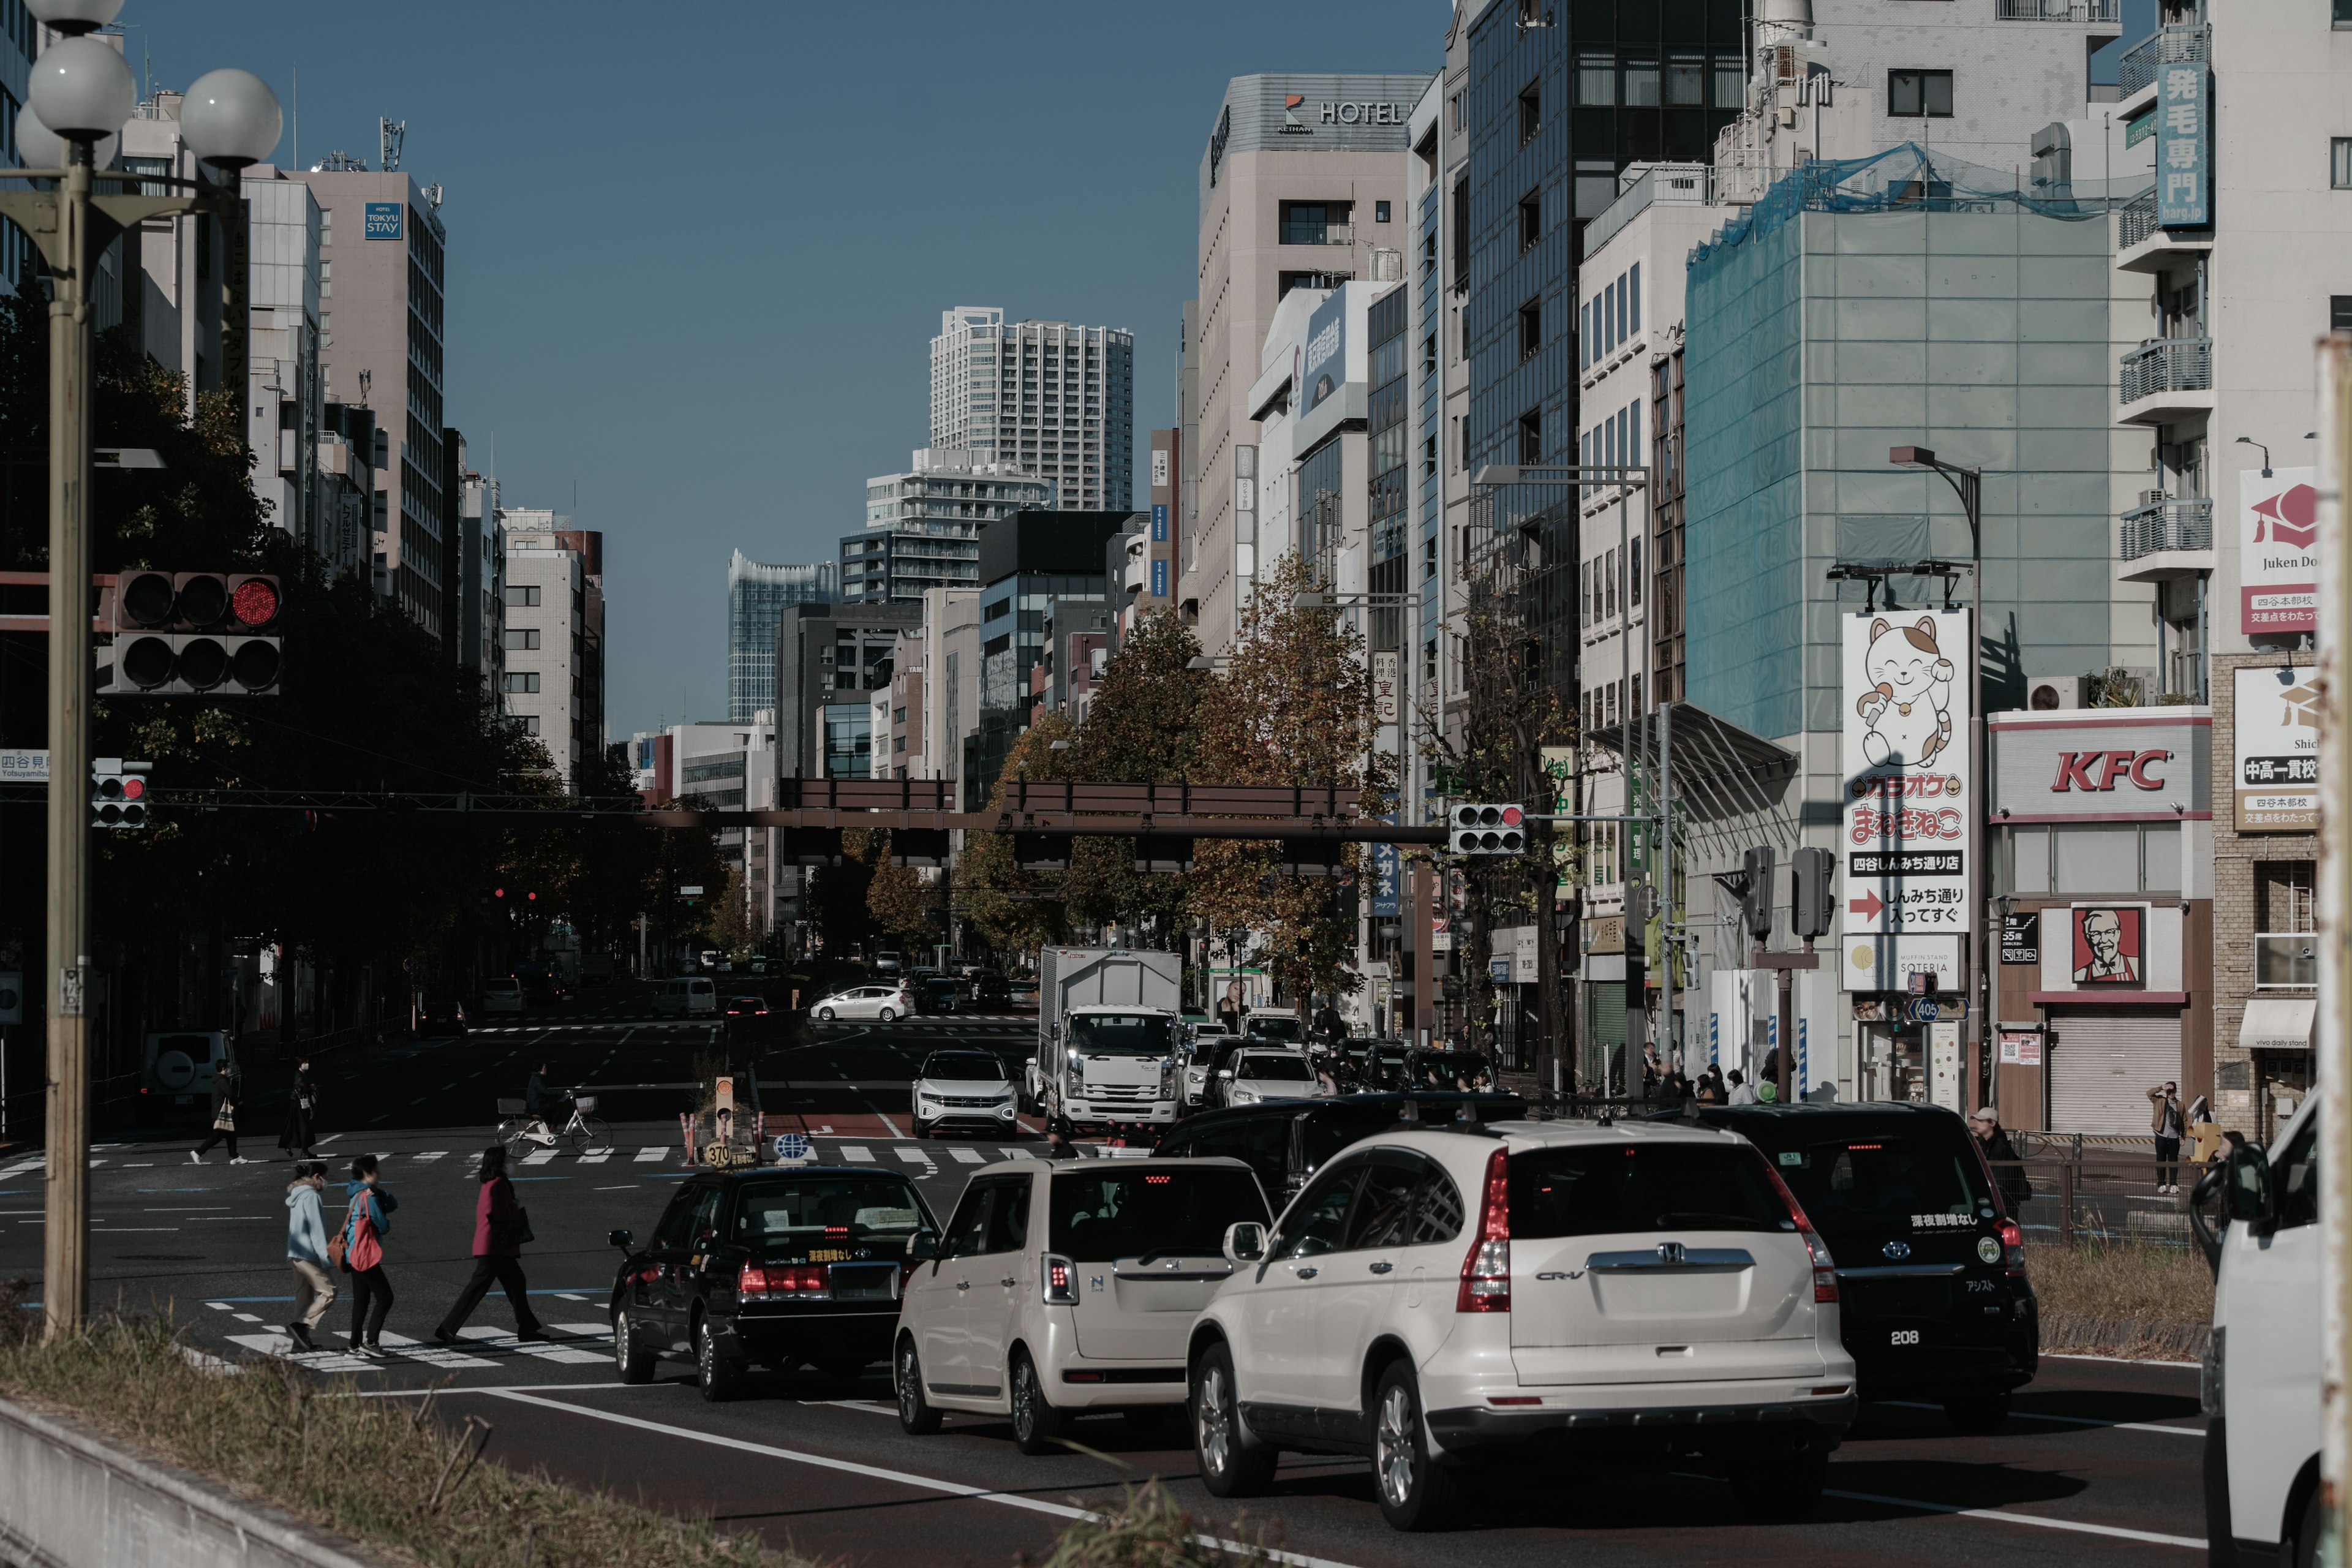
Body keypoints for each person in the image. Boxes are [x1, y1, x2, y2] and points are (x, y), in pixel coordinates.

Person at [432, 1146, 548, 1348]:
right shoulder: (499, 1185)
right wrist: (516, 1207)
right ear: (499, 1164)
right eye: (507, 1160)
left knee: (516, 1282)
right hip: (494, 1246)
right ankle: (447, 1328)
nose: (511, 1163)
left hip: (493, 1245)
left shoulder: (490, 1182)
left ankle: (527, 1327)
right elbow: (500, 1215)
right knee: (479, 1288)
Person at [341, 1154, 398, 1357]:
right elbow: (383, 1226)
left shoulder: (356, 1193)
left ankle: (354, 1343)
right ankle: (371, 1342)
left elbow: (392, 1204)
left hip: (353, 1254)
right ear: (368, 1173)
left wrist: (380, 1193)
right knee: (385, 1297)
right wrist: (379, 1198)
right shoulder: (368, 1197)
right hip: (365, 1254)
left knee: (361, 1300)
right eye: (376, 1171)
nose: (379, 1175)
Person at [282, 1161, 336, 1351]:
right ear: (316, 1177)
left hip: (295, 1254)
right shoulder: (312, 1196)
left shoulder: (297, 1195)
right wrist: (326, 1258)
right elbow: (317, 1231)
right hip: (309, 1254)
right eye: (325, 1178)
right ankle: (301, 1326)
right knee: (329, 1292)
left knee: (303, 1298)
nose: (326, 1182)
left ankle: (299, 1343)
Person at [1969, 1106, 2032, 1215]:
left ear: (1992, 1123)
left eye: (1981, 1121)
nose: (1977, 1124)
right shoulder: (1985, 1144)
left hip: (2003, 1203)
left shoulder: (2000, 1146)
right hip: (1994, 1201)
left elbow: (2001, 1179)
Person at [191, 1058, 249, 1164]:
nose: (230, 1070)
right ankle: (198, 1152)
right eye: (228, 1068)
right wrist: (237, 1103)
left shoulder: (218, 1080)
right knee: (217, 1136)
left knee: (231, 1134)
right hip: (221, 1113)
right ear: (224, 1069)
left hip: (219, 1112)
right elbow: (231, 1094)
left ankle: (234, 1156)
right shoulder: (222, 1081)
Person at [279, 1058, 319, 1161]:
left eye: (308, 1062)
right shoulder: (298, 1075)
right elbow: (303, 1087)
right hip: (299, 1104)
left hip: (303, 1103)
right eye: (305, 1063)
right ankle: (304, 1151)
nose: (307, 1064)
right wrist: (311, 1087)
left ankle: (302, 1150)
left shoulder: (304, 1074)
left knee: (300, 1126)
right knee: (304, 1126)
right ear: (300, 1065)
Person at [2149, 1080, 2184, 1194]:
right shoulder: (2159, 1100)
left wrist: (2183, 1136)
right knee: (2161, 1160)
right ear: (2166, 1091)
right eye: (2169, 1091)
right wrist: (2161, 1087)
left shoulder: (2180, 1104)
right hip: (2161, 1136)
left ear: (2176, 1091)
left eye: (2173, 1090)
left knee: (2174, 1162)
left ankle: (2174, 1184)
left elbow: (2184, 1120)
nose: (2171, 1093)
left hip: (2174, 1137)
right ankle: (2161, 1184)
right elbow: (2149, 1093)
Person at [524, 1060, 557, 1144]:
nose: (546, 1070)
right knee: (558, 1109)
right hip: (537, 1107)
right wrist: (563, 1092)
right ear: (540, 1070)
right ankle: (552, 1130)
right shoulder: (537, 1079)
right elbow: (545, 1091)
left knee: (551, 1113)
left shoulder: (536, 1077)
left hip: (536, 1105)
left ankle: (546, 1136)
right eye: (545, 1068)